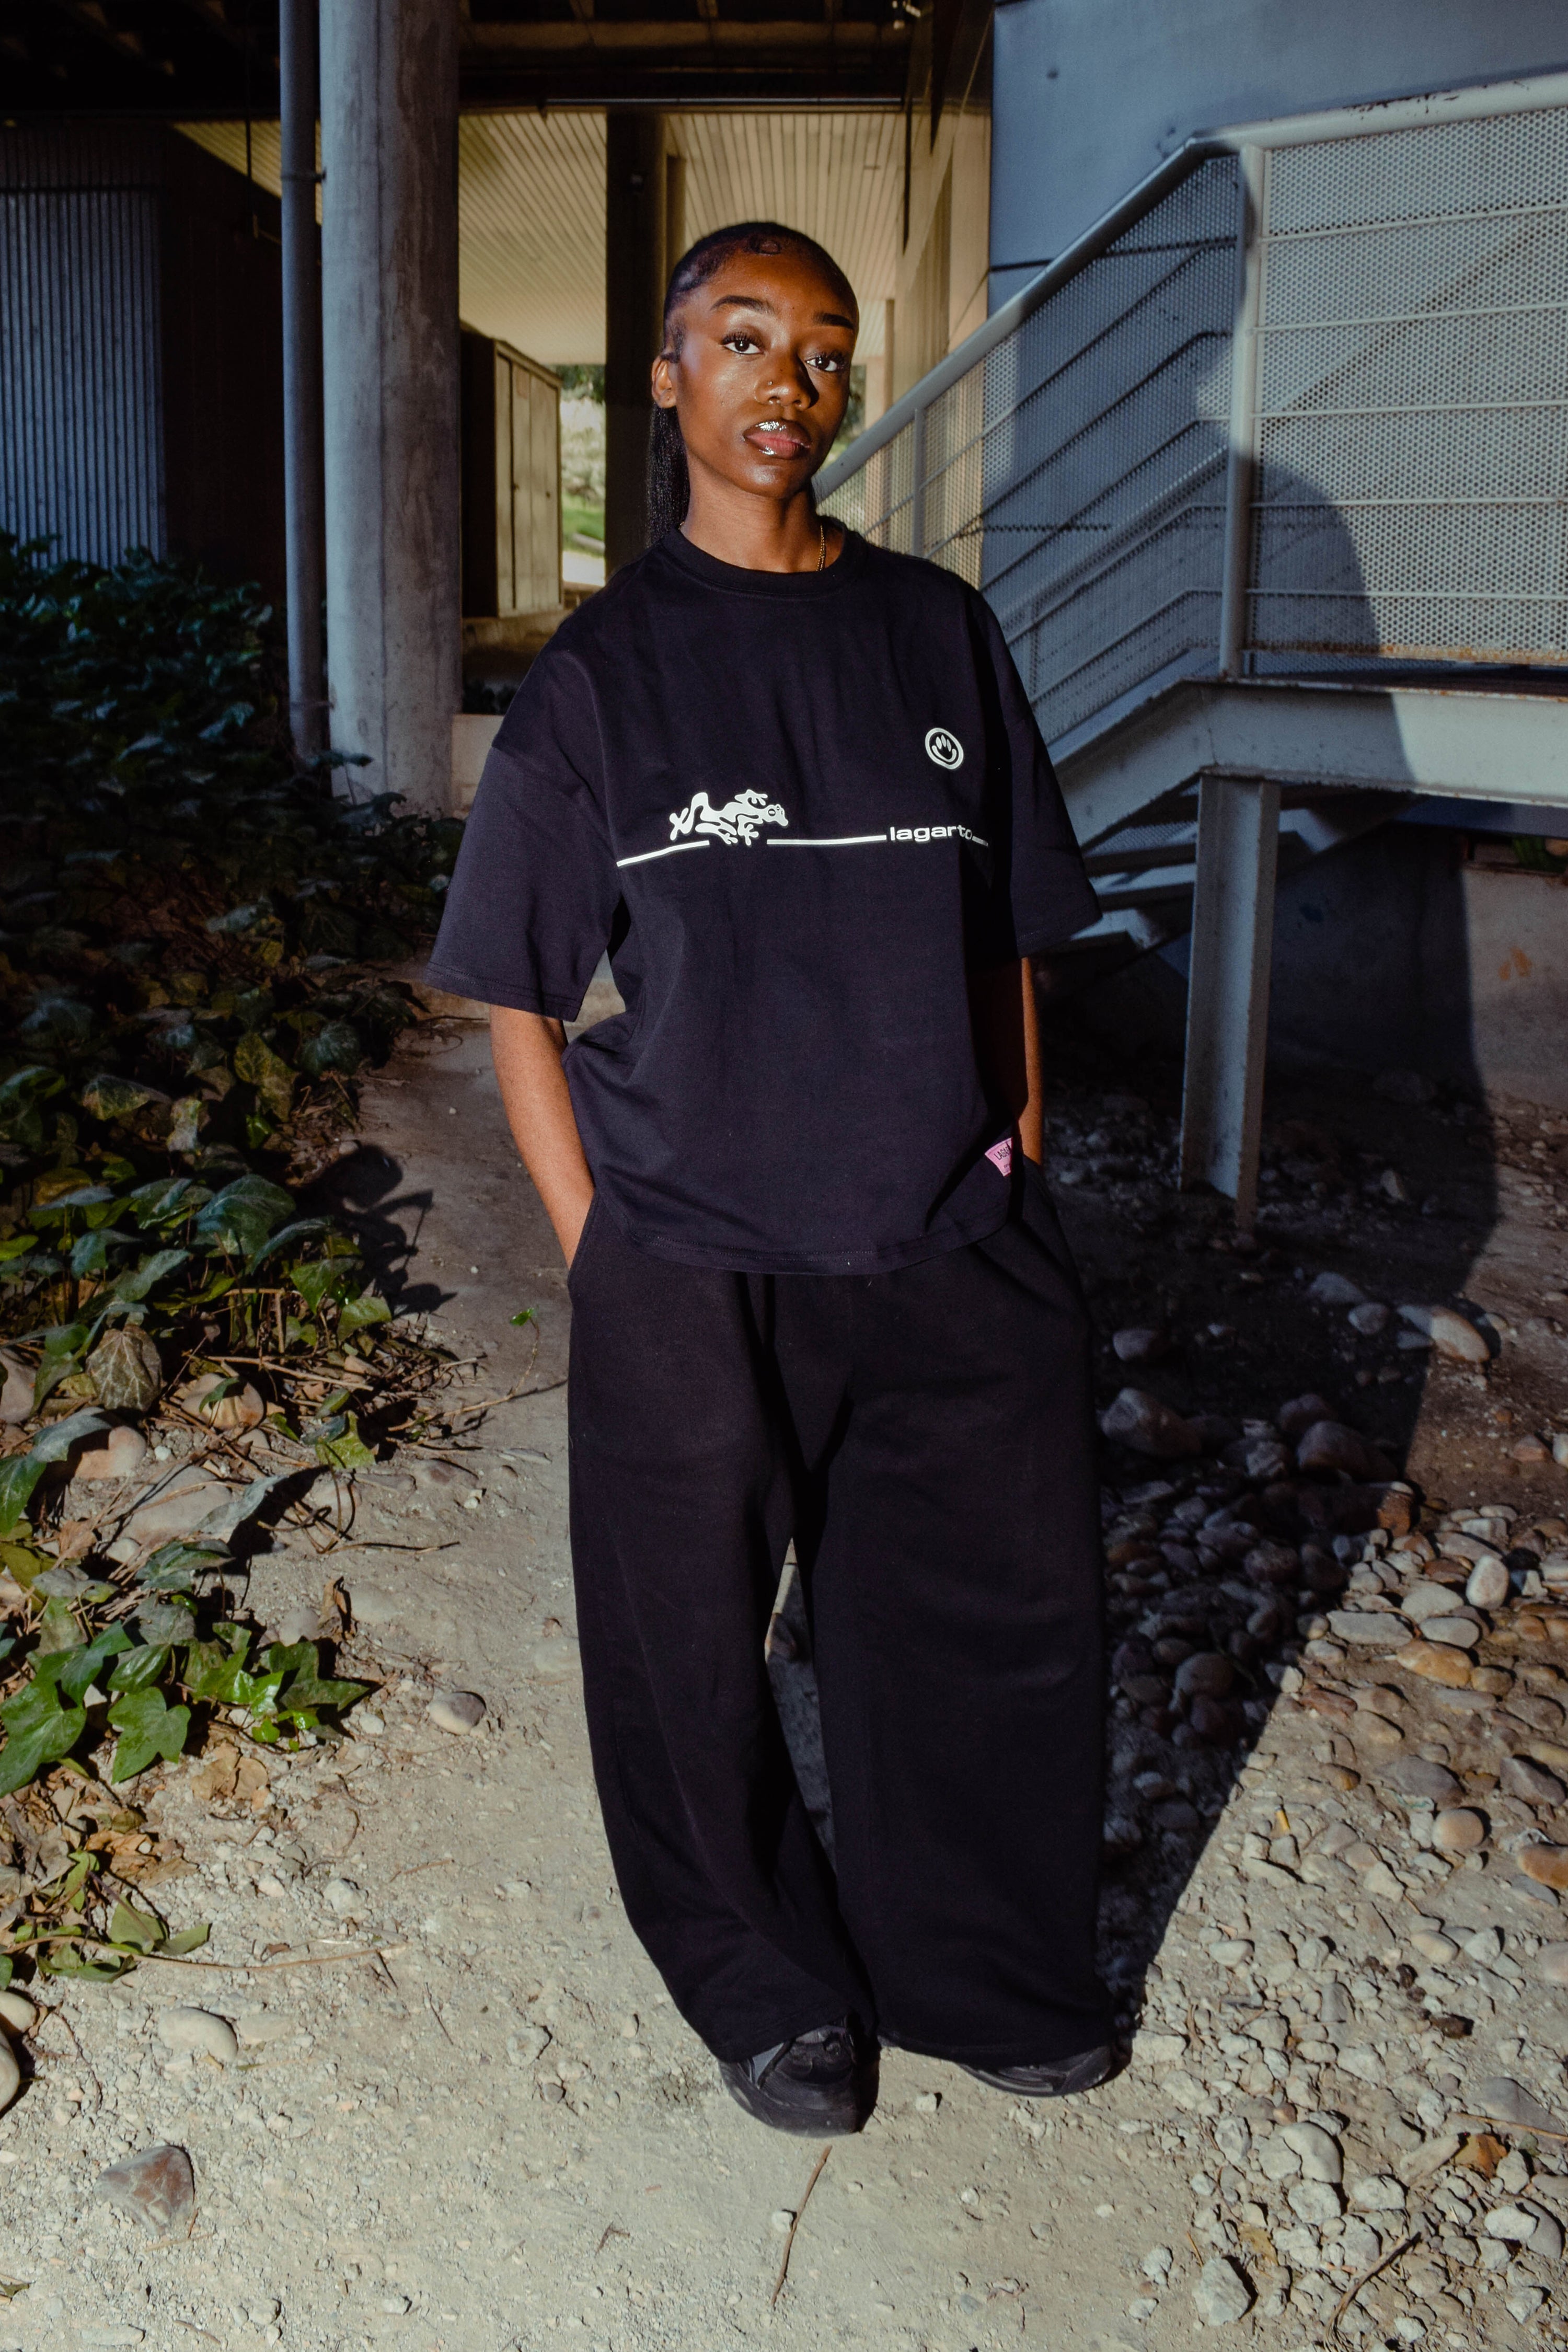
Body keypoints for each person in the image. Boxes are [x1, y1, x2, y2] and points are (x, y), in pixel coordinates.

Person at [426, 222, 1113, 2138]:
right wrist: (598, 1245)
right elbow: (515, 991)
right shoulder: (603, 676)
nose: (786, 384)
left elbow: (1009, 928)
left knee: (983, 1623)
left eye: (821, 349)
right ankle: (765, 1981)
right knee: (686, 1655)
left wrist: (1019, 1147)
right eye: (742, 342)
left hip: (946, 1230)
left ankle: (982, 1968)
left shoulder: (936, 631)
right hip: (693, 1248)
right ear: (667, 379)